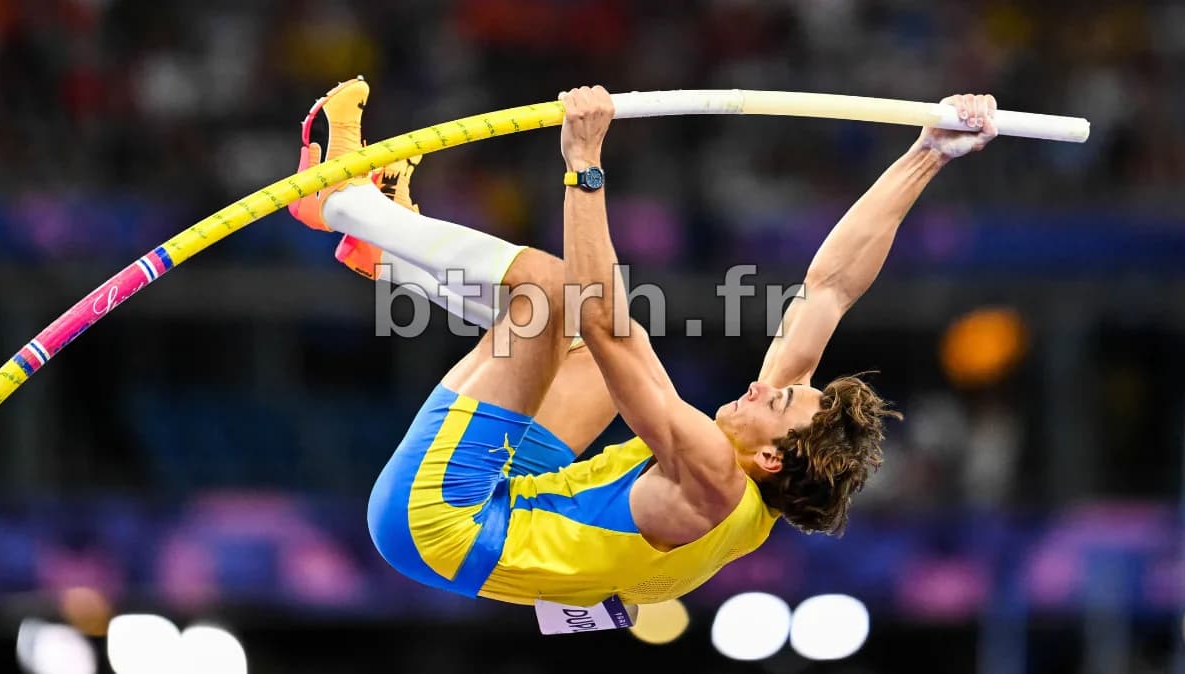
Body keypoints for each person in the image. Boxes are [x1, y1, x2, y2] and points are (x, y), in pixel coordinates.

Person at [289, 79, 998, 609]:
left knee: (554, 292)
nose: (762, 385)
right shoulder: (756, 480)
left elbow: (605, 318)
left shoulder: (713, 477)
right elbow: (830, 289)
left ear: (771, 457)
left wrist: (584, 160)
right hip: (514, 503)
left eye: (778, 401)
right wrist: (927, 155)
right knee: (580, 351)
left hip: (437, 521)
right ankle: (379, 251)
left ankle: (343, 203)